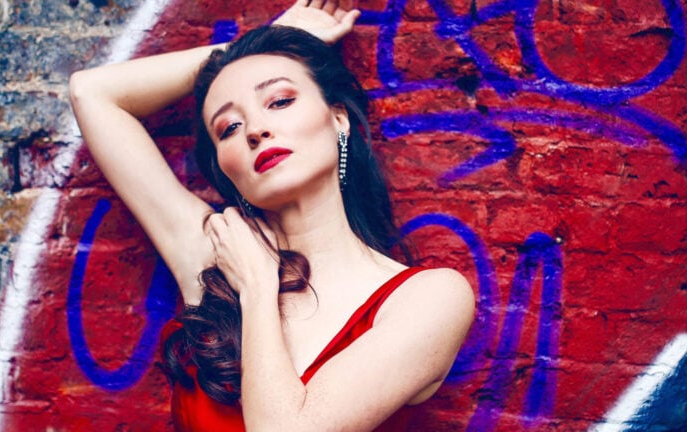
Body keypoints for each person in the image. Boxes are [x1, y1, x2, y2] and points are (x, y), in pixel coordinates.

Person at [69, 0, 474, 430]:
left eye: (279, 101)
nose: (256, 130)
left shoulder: (429, 299)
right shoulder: (217, 253)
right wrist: (245, 51)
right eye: (229, 128)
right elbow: (92, 93)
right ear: (226, 171)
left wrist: (258, 290)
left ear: (339, 119)